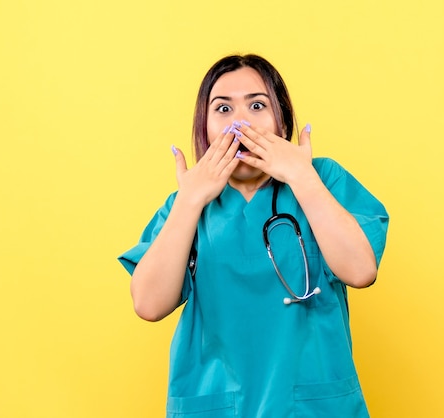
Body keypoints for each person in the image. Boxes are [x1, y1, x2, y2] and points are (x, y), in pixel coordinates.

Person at [118, 54, 389, 417]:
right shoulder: (185, 204)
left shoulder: (322, 179)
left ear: (282, 120)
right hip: (214, 406)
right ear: (205, 127)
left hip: (313, 407)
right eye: (223, 109)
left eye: (257, 105)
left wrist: (301, 177)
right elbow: (149, 305)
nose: (240, 122)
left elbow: (360, 271)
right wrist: (190, 201)